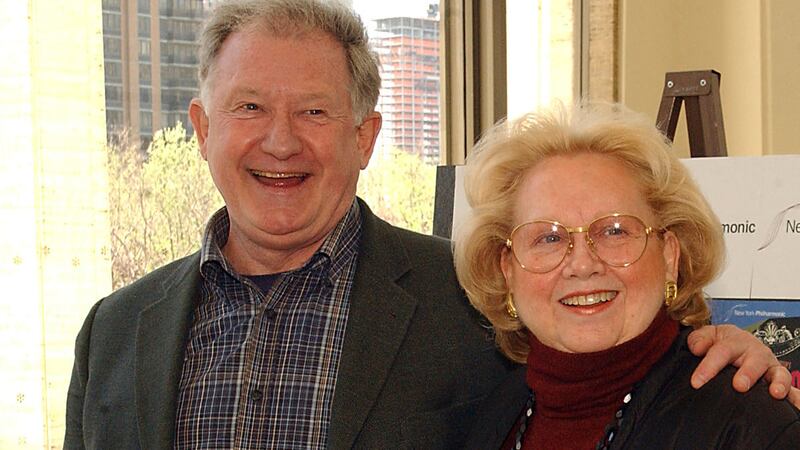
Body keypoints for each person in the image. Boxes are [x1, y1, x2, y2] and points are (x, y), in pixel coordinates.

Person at [64, 1, 795, 449]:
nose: (280, 141)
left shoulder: (470, 306)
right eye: (249, 107)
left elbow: (612, 354)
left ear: (366, 136)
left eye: (314, 111)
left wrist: (745, 354)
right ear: (200, 127)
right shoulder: (115, 332)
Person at [454, 103, 800, 449]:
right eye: (549, 237)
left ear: (669, 255)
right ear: (508, 271)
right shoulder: (494, 412)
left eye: (614, 231)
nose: (582, 263)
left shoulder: (750, 425)